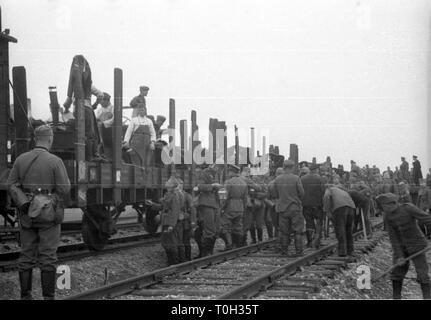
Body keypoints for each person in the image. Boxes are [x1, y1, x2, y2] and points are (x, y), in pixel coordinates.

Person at [7, 125, 71, 300]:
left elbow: (11, 184)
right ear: (50, 139)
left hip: (27, 212)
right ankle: (48, 298)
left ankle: (26, 296)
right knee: (48, 256)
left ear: (35, 139)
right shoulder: (55, 161)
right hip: (48, 214)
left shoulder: (20, 160)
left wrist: (24, 203)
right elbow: (65, 189)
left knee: (26, 255)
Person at [376, 193, 431, 299]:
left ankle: (427, 297)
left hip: (417, 245)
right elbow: (393, 237)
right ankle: (396, 297)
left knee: (422, 274)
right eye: (383, 207)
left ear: (392, 204)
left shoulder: (408, 208)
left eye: (385, 206)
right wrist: (400, 256)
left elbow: (427, 219)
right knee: (396, 273)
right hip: (401, 247)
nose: (384, 209)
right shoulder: (388, 216)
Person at [63, 55, 106, 162]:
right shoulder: (88, 85)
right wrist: (95, 105)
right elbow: (101, 95)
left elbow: (66, 103)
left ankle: (87, 155)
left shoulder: (73, 86)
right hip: (86, 108)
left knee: (82, 132)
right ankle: (92, 156)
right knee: (90, 132)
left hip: (77, 110)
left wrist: (66, 107)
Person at [273, 159, 305, 257]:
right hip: (295, 208)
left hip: (283, 208)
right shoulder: (296, 178)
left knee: (284, 231)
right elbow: (302, 193)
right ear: (292, 167)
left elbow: (275, 194)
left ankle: (284, 251)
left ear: (284, 167)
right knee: (298, 231)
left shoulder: (277, 179)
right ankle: (299, 251)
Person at [194, 169, 221, 257]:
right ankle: (205, 254)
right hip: (206, 204)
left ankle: (208, 253)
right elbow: (199, 187)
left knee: (214, 230)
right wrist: (212, 186)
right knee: (209, 230)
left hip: (213, 205)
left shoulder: (214, 174)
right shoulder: (204, 174)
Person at [323, 185, 356, 257]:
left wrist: (327, 211)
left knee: (340, 230)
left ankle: (342, 251)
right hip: (351, 207)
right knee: (348, 230)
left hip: (340, 208)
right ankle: (350, 250)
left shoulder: (329, 189)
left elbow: (326, 197)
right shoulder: (342, 191)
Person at [221, 165, 248, 250]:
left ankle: (229, 245)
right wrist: (244, 207)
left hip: (230, 207)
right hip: (240, 207)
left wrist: (221, 207)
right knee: (238, 227)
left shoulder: (228, 182)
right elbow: (245, 198)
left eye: (229, 171)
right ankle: (238, 246)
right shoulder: (243, 182)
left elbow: (224, 197)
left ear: (231, 172)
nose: (228, 173)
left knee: (225, 226)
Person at [301, 164, 325, 248]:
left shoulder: (302, 179)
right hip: (317, 205)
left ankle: (310, 242)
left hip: (306, 205)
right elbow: (323, 191)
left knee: (309, 222)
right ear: (316, 170)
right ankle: (318, 239)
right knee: (319, 221)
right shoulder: (319, 178)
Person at [159, 177, 182, 265]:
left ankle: (174, 263)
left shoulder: (174, 196)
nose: (166, 182)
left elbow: (175, 211)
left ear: (172, 185)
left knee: (171, 243)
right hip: (166, 221)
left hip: (169, 222)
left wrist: (171, 225)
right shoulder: (168, 195)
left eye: (168, 181)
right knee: (166, 242)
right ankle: (170, 262)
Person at [176, 179, 197, 261]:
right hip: (176, 222)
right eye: (177, 184)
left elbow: (192, 209)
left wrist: (193, 221)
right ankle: (181, 259)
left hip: (185, 222)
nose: (179, 186)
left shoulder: (187, 196)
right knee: (178, 241)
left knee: (185, 240)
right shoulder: (173, 195)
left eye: (180, 184)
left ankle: (187, 258)